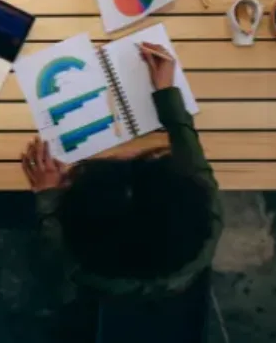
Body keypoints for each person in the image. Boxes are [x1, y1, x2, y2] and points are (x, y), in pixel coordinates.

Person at [22, 42, 222, 309]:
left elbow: (55, 237)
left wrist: (47, 194)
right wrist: (167, 91)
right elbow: (191, 157)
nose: (125, 155)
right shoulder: (206, 215)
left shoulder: (79, 263)